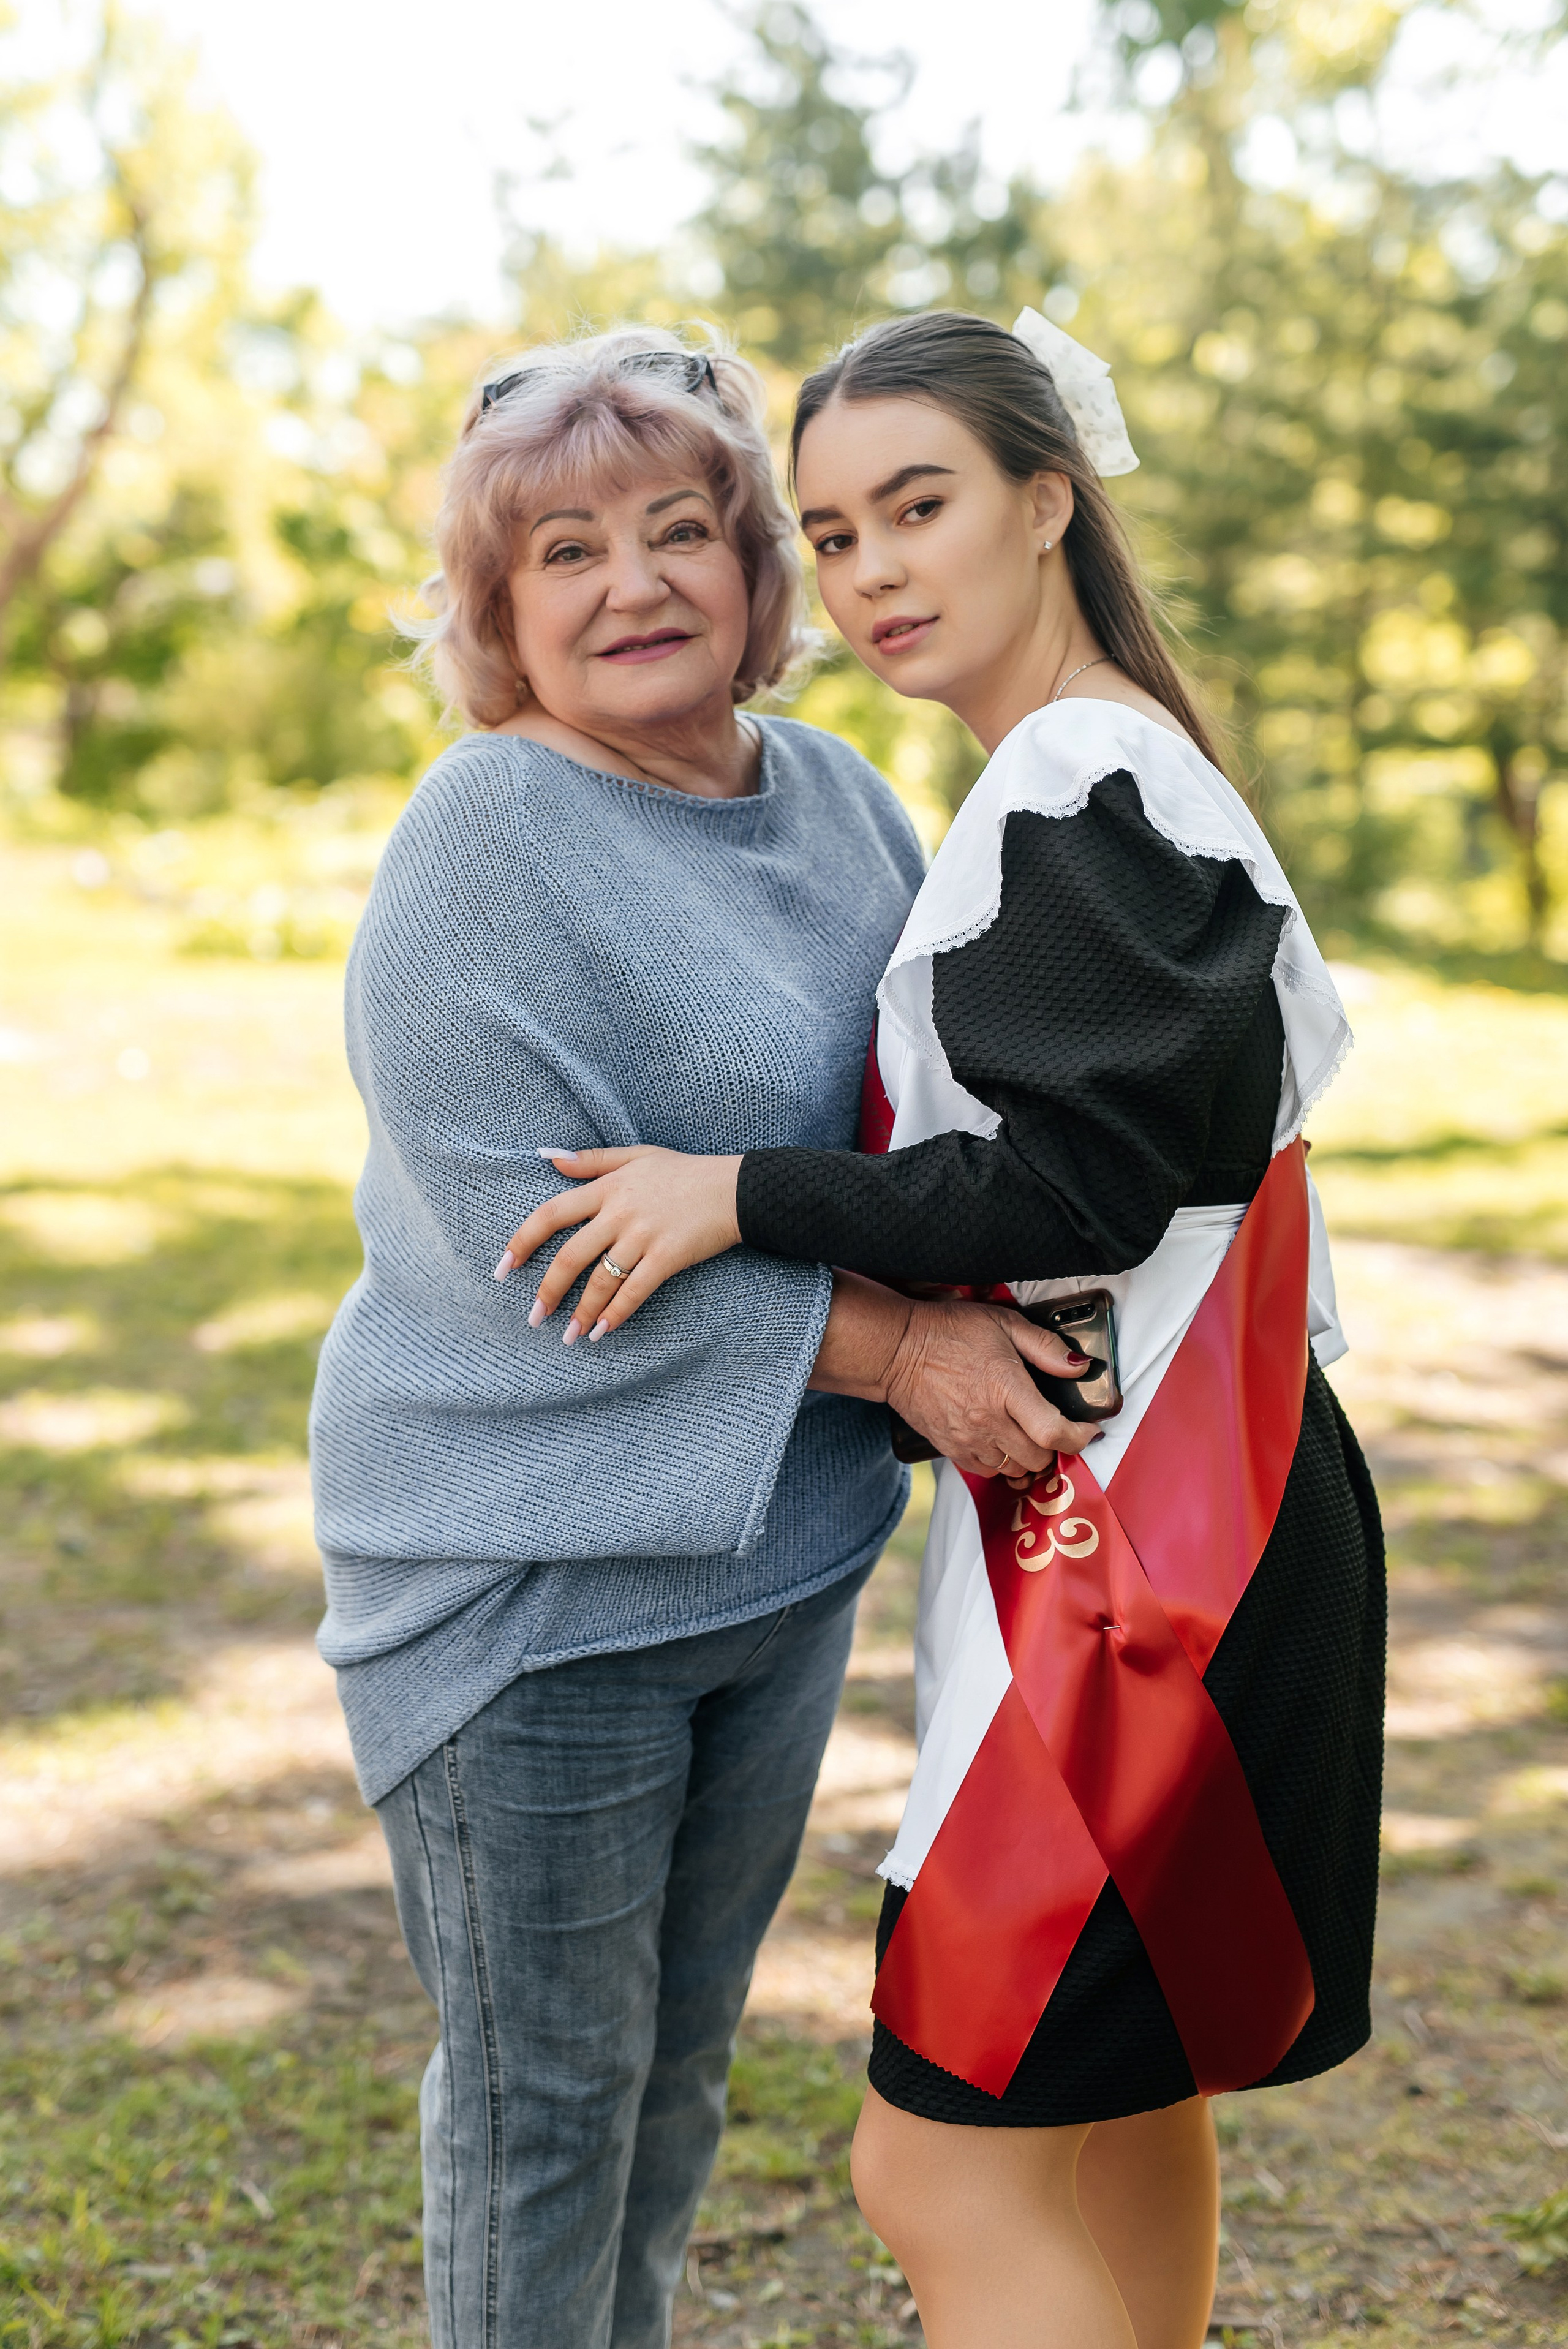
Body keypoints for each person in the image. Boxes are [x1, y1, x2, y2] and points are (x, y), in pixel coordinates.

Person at [497, 309, 1385, 2349]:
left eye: (922, 505)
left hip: (1157, 1541)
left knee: (942, 2152)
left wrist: (737, 1193)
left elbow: (1079, 1184)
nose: (877, 567)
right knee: (1108, 2104)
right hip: (1180, 1504)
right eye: (832, 531)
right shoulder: (1100, 771)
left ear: (1049, 497)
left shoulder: (1080, 775)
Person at [308, 323, 1096, 2349]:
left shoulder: (835, 796)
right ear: (498, 614)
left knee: (674, 2077)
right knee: (545, 2105)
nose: (633, 581)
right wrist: (905, 1355)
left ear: (759, 571)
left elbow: (923, 1124)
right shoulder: (483, 839)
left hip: (773, 1561)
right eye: (563, 551)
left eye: (681, 530)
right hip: (537, 1587)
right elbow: (533, 1241)